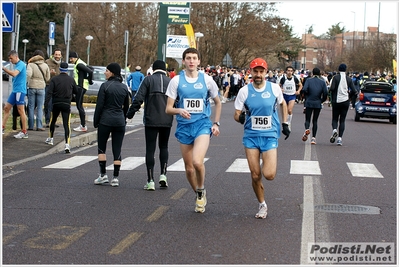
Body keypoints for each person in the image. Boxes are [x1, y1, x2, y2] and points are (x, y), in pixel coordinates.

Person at [165, 47, 222, 213]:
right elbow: (168, 108)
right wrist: (179, 110)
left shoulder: (207, 80)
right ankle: (199, 193)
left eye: (194, 58)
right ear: (183, 61)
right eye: (188, 58)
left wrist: (216, 123)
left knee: (198, 162)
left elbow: (218, 102)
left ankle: (201, 187)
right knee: (189, 168)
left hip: (202, 125)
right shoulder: (176, 81)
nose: (191, 61)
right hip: (184, 127)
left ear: (199, 61)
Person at [234, 58, 290, 219]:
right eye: (255, 71)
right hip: (251, 136)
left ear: (266, 72)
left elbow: (283, 104)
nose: (258, 74)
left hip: (269, 135)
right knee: (255, 175)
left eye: (261, 71)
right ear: (250, 72)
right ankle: (262, 204)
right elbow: (236, 114)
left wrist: (285, 123)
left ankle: (266, 159)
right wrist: (241, 118)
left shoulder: (274, 88)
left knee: (269, 174)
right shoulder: (244, 91)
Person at [126, 60, 173, 191]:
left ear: (153, 69)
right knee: (164, 146)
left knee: (150, 149)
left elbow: (138, 99)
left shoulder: (148, 80)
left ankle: (150, 180)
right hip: (167, 119)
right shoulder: (171, 82)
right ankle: (163, 175)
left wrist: (130, 114)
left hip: (151, 119)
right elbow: (177, 101)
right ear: (165, 70)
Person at [93, 63, 130, 187]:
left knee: (102, 147)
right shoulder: (124, 88)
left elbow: (99, 106)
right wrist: (123, 119)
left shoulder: (105, 86)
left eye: (107, 70)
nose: (105, 72)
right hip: (119, 121)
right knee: (117, 148)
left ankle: (103, 175)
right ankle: (115, 177)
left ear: (112, 72)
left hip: (105, 120)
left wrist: (96, 121)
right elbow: (126, 107)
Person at [44, 62, 78, 153]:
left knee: (53, 120)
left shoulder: (54, 79)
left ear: (59, 69)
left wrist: (46, 104)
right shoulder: (71, 80)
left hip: (56, 102)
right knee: (66, 124)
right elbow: (76, 91)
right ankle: (67, 144)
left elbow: (49, 93)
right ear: (67, 70)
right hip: (66, 103)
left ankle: (50, 138)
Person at [328, 63, 357, 146]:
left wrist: (331, 92)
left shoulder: (335, 78)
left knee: (335, 118)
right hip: (345, 101)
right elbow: (355, 91)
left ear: (338, 69)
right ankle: (340, 139)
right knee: (342, 120)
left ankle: (334, 130)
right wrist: (349, 96)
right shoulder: (349, 79)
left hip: (336, 101)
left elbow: (332, 88)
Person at [2, 50, 28, 138]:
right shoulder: (17, 65)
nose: (10, 60)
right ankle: (2, 127)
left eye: (11, 58)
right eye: (9, 59)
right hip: (15, 91)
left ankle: (24, 131)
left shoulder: (21, 64)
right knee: (6, 108)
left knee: (21, 110)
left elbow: (14, 74)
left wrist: (4, 68)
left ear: (16, 57)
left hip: (20, 91)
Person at [301, 68, 328, 145]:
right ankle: (313, 138)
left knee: (307, 119)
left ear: (312, 73)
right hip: (317, 102)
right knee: (315, 120)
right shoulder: (322, 82)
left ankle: (307, 129)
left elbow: (304, 89)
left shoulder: (309, 80)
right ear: (319, 73)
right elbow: (325, 92)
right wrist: (322, 100)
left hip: (309, 101)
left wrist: (306, 96)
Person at [68, 51, 93, 132]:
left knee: (79, 106)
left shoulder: (79, 64)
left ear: (75, 58)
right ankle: (83, 125)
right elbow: (91, 68)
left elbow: (90, 71)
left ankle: (83, 126)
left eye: (71, 58)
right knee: (79, 105)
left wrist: (90, 81)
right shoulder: (80, 63)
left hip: (80, 87)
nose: (70, 60)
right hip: (82, 86)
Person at [26, 50, 51, 131]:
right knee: (40, 107)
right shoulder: (45, 65)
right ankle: (39, 126)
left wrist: (27, 82)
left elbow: (28, 75)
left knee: (31, 106)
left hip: (32, 87)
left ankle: (30, 125)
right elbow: (48, 78)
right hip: (41, 87)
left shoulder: (30, 65)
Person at [45, 48, 62, 127]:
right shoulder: (47, 62)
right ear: (53, 55)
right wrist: (50, 73)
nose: (57, 56)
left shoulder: (62, 63)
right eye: (56, 54)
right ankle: (48, 121)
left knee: (55, 105)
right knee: (48, 104)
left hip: (58, 87)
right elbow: (44, 73)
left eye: (59, 55)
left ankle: (53, 122)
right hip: (49, 85)